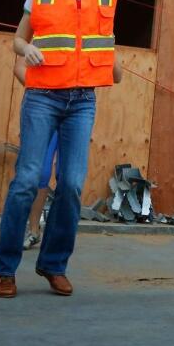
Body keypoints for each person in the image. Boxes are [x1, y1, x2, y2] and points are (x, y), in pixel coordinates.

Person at [0, 0, 160, 298]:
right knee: (25, 182)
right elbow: (18, 38)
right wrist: (25, 50)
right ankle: (5, 269)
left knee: (69, 185)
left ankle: (53, 265)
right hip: (43, 98)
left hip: (82, 102)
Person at [12, 56, 122, 251]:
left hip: (75, 112)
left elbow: (117, 76)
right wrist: (40, 92)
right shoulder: (51, 31)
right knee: (40, 174)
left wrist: (108, 49)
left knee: (69, 180)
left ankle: (55, 241)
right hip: (46, 108)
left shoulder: (95, 32)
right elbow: (20, 66)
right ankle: (33, 230)